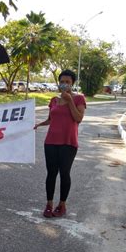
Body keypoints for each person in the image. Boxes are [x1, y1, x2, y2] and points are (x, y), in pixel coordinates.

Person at [34, 69, 86, 218]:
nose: (64, 84)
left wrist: (69, 100)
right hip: (50, 141)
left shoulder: (79, 99)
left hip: (68, 143)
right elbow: (51, 119)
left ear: (72, 84)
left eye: (67, 82)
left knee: (64, 173)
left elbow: (78, 118)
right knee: (51, 173)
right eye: (62, 82)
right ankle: (49, 204)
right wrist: (39, 124)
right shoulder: (54, 100)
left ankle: (62, 204)